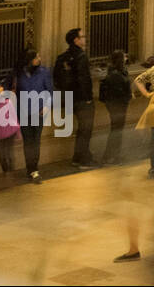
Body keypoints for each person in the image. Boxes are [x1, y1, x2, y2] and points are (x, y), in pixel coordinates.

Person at [52, 28, 96, 169]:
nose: (85, 39)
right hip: (82, 99)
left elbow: (57, 79)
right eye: (82, 36)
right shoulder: (81, 56)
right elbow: (84, 79)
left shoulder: (62, 57)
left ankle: (79, 157)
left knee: (81, 130)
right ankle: (83, 159)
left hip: (68, 97)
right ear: (76, 40)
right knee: (85, 129)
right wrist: (88, 97)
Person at [14, 49, 52, 182]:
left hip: (38, 111)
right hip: (23, 111)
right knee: (28, 141)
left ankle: (34, 169)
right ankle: (30, 169)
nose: (39, 59)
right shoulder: (18, 74)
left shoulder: (44, 72)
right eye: (37, 57)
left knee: (35, 141)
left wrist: (47, 106)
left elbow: (50, 91)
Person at [99, 50, 132, 165]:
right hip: (118, 106)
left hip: (118, 105)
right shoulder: (115, 75)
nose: (126, 58)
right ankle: (110, 157)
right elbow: (120, 90)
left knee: (117, 130)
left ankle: (112, 156)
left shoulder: (118, 71)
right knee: (116, 131)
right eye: (124, 57)